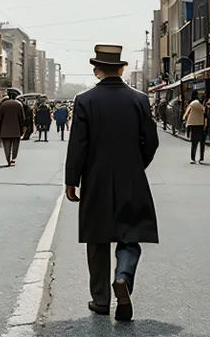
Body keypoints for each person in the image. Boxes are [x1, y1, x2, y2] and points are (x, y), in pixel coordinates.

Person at [65, 44, 159, 322]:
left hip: (95, 177)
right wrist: (136, 164)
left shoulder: (85, 100)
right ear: (122, 68)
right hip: (131, 176)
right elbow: (151, 141)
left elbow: (78, 144)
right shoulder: (140, 100)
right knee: (130, 235)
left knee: (97, 238)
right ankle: (123, 278)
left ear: (96, 70)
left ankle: (101, 300)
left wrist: (72, 179)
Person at [0, 92, 25, 166]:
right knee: (15, 146)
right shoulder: (19, 105)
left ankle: (8, 159)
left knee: (6, 146)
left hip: (4, 130)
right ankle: (13, 159)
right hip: (16, 129)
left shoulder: (3, 105)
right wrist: (22, 129)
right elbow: (22, 119)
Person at [183, 91, 206, 164]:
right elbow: (204, 112)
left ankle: (193, 158)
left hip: (193, 125)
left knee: (194, 143)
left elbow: (186, 114)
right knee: (202, 142)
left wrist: (184, 118)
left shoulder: (191, 104)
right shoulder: (201, 105)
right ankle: (201, 158)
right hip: (201, 125)